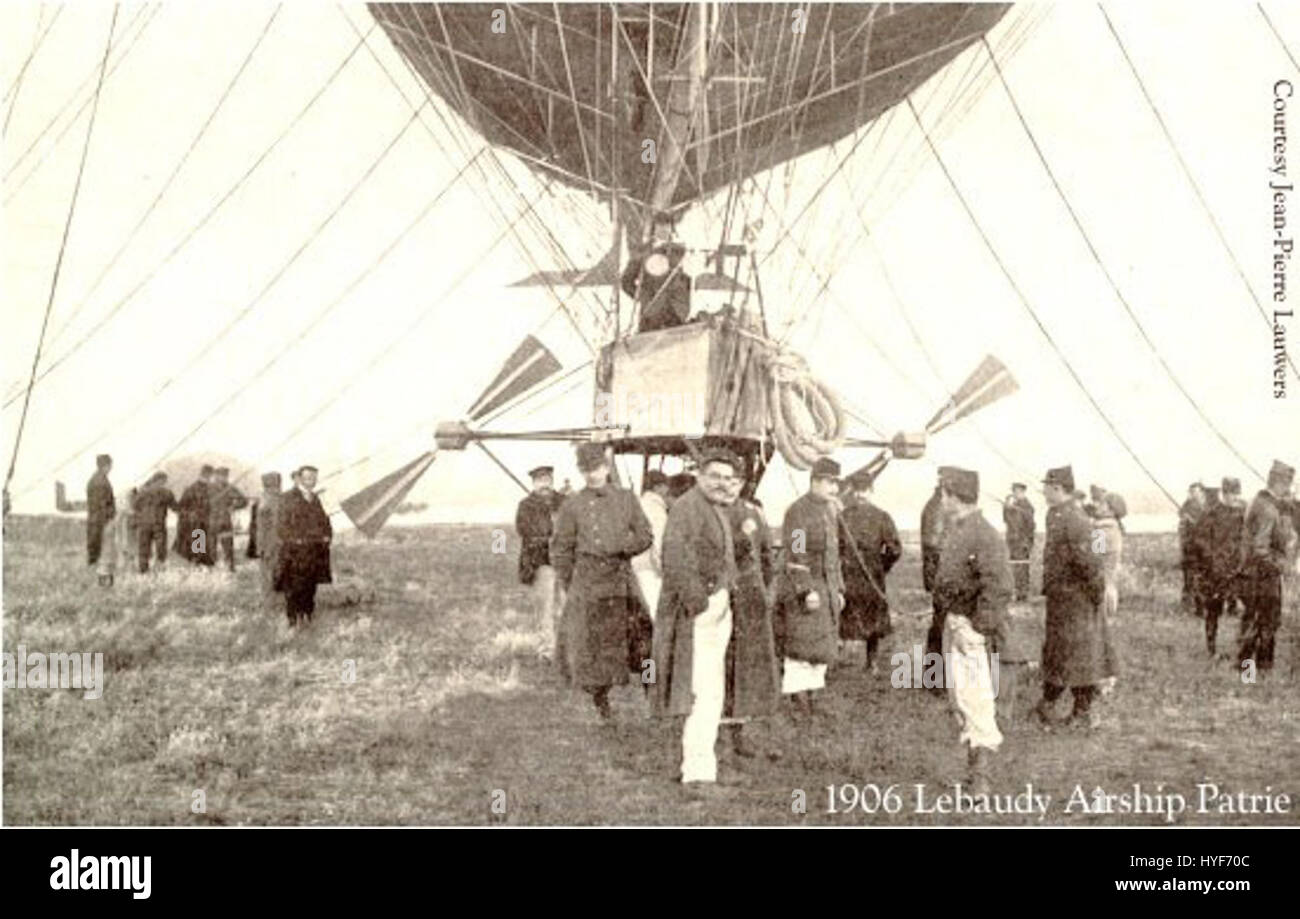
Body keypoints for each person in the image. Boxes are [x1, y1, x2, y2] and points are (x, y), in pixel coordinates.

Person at [652, 448, 741, 792]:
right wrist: (700, 603)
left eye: (727, 477)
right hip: (699, 613)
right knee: (703, 692)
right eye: (714, 476)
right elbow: (674, 559)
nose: (721, 483)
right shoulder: (689, 508)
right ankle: (697, 772)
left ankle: (703, 763)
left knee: (709, 690)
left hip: (714, 606)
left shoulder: (711, 507)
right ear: (700, 475)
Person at [551, 443, 653, 720]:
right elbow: (561, 548)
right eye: (586, 470)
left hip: (620, 578)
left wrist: (622, 546)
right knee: (593, 646)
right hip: (588, 582)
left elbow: (645, 535)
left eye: (597, 468)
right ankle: (602, 701)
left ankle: (651, 691)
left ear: (606, 467)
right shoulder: (572, 504)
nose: (592, 475)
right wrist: (571, 581)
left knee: (643, 639)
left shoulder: (626, 498)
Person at [931, 467, 1012, 796]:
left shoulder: (983, 534)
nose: (941, 500)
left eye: (943, 494)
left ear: (952, 496)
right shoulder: (961, 529)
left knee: (976, 700)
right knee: (963, 699)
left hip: (971, 629)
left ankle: (980, 780)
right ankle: (972, 774)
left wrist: (978, 629)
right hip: (957, 624)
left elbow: (1000, 586)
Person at [1035, 465, 1115, 731]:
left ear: (1058, 488)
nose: (1044, 491)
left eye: (1047, 487)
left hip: (1077, 600)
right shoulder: (1056, 514)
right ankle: (1053, 705)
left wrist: (1096, 594)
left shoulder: (1077, 519)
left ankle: (1083, 712)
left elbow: (1092, 562)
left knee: (1080, 657)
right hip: (1062, 600)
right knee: (1063, 654)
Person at [775, 456, 845, 718]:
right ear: (814, 481)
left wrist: (839, 590)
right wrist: (806, 590)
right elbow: (796, 554)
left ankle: (814, 699)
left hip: (826, 588)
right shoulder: (798, 511)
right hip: (804, 589)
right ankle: (798, 702)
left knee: (821, 645)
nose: (834, 488)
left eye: (836, 483)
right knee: (801, 646)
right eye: (828, 482)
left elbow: (834, 555)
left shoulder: (829, 511)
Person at [721, 475, 781, 762]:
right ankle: (716, 729)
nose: (729, 486)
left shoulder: (753, 513)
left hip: (751, 601)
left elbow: (767, 556)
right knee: (722, 664)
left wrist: (764, 589)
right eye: (724, 480)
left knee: (748, 666)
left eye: (735, 480)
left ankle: (740, 729)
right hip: (721, 599)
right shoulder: (712, 511)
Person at [838, 469, 901, 673]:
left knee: (872, 619)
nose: (860, 494)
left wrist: (881, 567)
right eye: (857, 490)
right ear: (852, 492)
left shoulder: (881, 517)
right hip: (850, 575)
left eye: (864, 490)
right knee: (845, 614)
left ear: (871, 491)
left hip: (870, 575)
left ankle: (871, 661)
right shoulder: (842, 517)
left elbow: (895, 549)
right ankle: (840, 659)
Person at [1237, 460, 1297, 672]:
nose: (1290, 489)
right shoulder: (1268, 510)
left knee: (1260, 624)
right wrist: (1281, 565)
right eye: (1288, 484)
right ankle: (1252, 673)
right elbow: (1260, 549)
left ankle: (1257, 673)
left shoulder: (1261, 502)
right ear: (1279, 483)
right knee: (1261, 625)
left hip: (1256, 575)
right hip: (1261, 577)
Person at [515, 465, 566, 655]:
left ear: (552, 481)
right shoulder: (526, 506)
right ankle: (547, 651)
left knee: (566, 607)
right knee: (545, 609)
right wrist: (548, 538)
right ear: (534, 483)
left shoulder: (564, 502)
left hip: (565, 563)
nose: (544, 484)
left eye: (547, 480)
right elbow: (525, 531)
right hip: (542, 564)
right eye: (539, 481)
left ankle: (565, 649)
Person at [275, 465, 332, 627]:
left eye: (314, 478)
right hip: (295, 551)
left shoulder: (316, 499)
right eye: (307, 478)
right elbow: (281, 525)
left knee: (311, 584)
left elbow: (325, 520)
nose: (311, 481)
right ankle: (293, 618)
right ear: (299, 478)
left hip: (314, 549)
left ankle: (307, 614)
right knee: (294, 586)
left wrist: (328, 536)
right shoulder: (287, 498)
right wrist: (294, 539)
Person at [1198, 477, 1246, 656]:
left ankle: (1243, 654)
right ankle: (1211, 650)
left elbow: (1245, 540)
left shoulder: (1242, 515)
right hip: (1215, 572)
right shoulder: (1210, 514)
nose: (1235, 497)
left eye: (1237, 494)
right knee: (1213, 611)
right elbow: (1201, 542)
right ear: (1223, 493)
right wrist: (1213, 560)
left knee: (1245, 610)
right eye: (1232, 494)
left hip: (1237, 571)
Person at [622, 229, 692, 334]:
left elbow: (686, 279)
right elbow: (626, 281)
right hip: (651, 312)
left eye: (667, 223)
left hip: (675, 312)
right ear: (654, 227)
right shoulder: (643, 253)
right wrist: (642, 295)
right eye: (660, 223)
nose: (664, 228)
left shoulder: (679, 250)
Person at [920, 467, 954, 666]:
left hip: (942, 574)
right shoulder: (938, 506)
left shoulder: (937, 504)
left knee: (941, 624)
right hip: (944, 576)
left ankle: (935, 678)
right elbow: (933, 545)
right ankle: (935, 679)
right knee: (942, 626)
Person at [631, 470, 672, 626]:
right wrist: (662, 568)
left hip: (636, 564)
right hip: (650, 566)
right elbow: (659, 540)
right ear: (658, 487)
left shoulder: (638, 504)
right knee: (657, 611)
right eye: (665, 486)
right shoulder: (655, 508)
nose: (667, 490)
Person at [134, 472, 177, 572]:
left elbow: (135, 505)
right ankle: (159, 569)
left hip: (144, 524)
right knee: (161, 549)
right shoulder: (166, 492)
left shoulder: (143, 492)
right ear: (161, 480)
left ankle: (143, 571)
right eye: (165, 481)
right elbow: (175, 507)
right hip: (158, 524)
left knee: (144, 549)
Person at [207, 467, 248, 572]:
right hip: (210, 523)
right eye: (221, 476)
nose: (223, 478)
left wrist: (233, 507)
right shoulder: (208, 488)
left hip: (225, 522)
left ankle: (230, 570)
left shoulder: (230, 488)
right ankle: (210, 572)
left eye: (225, 476)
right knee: (210, 549)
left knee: (228, 549)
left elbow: (244, 501)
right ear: (215, 476)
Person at [253, 472, 283, 608]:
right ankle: (276, 601)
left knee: (268, 575)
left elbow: (267, 527)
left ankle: (270, 603)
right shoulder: (279, 500)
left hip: (270, 544)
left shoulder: (267, 501)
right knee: (276, 573)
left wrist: (263, 548)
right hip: (277, 543)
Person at [1002, 482, 1035, 601]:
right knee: (1015, 566)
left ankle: (1023, 593)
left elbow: (1030, 525)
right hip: (1013, 541)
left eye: (1016, 491)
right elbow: (1006, 520)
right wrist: (1006, 508)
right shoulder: (1013, 505)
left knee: (1022, 567)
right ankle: (1017, 592)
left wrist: (1028, 542)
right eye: (1013, 491)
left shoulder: (1027, 506)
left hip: (1022, 542)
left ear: (1022, 491)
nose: (1014, 493)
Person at [176, 465, 214, 565]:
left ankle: (202, 560)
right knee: (198, 538)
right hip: (196, 520)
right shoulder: (192, 489)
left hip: (206, 519)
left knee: (204, 540)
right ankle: (197, 561)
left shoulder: (210, 488)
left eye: (209, 476)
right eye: (207, 475)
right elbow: (181, 506)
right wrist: (191, 513)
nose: (209, 478)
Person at [1179, 482, 1207, 615]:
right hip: (1190, 549)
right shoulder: (1186, 508)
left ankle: (1198, 606)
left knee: (1199, 578)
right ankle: (1189, 604)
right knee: (1190, 578)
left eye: (1195, 492)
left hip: (1201, 548)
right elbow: (1183, 531)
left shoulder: (1206, 507)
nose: (1192, 495)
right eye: (1191, 492)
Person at [86, 454, 115, 571]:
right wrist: (108, 517)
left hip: (96, 516)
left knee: (95, 541)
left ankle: (94, 564)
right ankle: (94, 565)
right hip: (99, 517)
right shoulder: (100, 481)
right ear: (104, 466)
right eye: (110, 465)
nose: (111, 468)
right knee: (96, 542)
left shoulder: (97, 479)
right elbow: (102, 502)